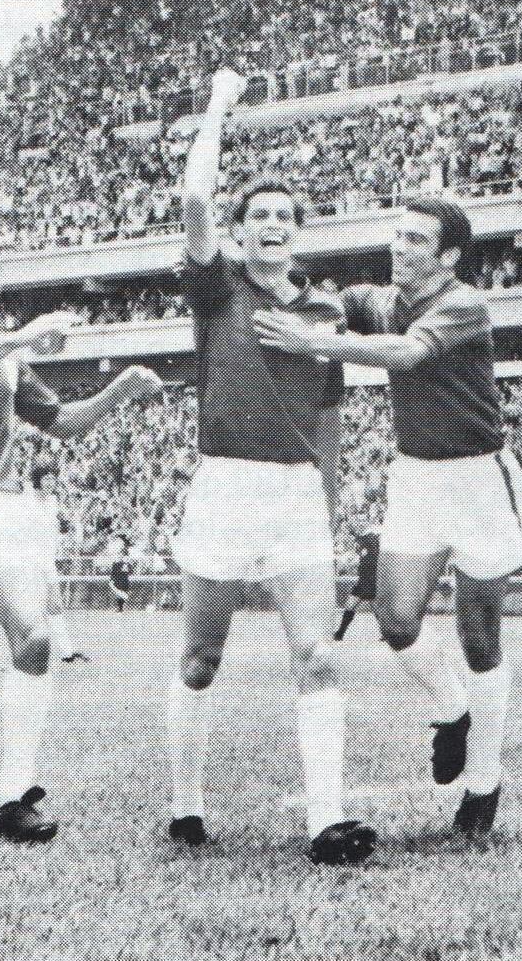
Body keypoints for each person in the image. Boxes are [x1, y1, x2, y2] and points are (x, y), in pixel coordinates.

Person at [256, 196, 522, 839]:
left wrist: (318, 340)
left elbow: (406, 354)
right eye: (397, 236)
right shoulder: (377, 298)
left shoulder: (464, 303)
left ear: (448, 255)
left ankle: (482, 784)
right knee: (396, 619)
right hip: (417, 476)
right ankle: (453, 708)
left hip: (479, 476)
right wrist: (279, 271)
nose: (399, 248)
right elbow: (320, 296)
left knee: (481, 637)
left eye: (416, 240)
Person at [166, 68, 376, 866]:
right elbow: (193, 203)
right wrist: (218, 102)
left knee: (316, 654)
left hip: (294, 496)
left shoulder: (325, 311)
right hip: (223, 486)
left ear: (300, 232)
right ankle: (185, 804)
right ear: (241, 231)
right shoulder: (217, 288)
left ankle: (327, 821)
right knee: (201, 657)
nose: (273, 224)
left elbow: (326, 423)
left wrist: (326, 510)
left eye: (286, 216)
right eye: (259, 215)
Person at [0, 238, 161, 842]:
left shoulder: (7, 355)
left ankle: (14, 797)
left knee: (36, 639)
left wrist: (119, 388)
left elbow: (64, 422)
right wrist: (16, 340)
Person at [29, 466, 89, 664]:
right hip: (29, 561)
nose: (50, 482)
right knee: (32, 609)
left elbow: (55, 529)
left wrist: (64, 527)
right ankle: (25, 654)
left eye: (53, 479)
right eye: (46, 478)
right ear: (38, 479)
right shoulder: (26, 500)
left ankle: (67, 653)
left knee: (55, 605)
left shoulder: (53, 502)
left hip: (47, 561)